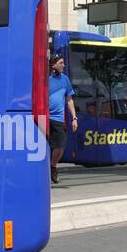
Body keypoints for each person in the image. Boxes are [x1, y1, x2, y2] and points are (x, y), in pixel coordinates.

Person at [46, 54, 76, 184]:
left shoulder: (65, 80)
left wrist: (74, 118)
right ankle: (43, 171)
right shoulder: (45, 79)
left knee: (60, 147)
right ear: (53, 65)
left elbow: (69, 100)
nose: (63, 65)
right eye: (61, 63)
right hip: (45, 118)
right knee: (44, 147)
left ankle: (53, 166)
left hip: (58, 119)